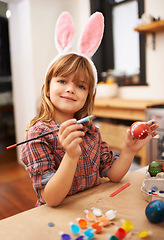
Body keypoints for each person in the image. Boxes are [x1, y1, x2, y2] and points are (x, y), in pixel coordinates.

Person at [20, 12, 159, 207]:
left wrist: (129, 150)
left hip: (92, 211)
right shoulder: (37, 135)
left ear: (87, 96)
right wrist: (71, 155)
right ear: (48, 88)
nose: (70, 88)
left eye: (81, 86)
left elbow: (114, 174)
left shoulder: (91, 132)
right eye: (62, 80)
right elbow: (51, 199)